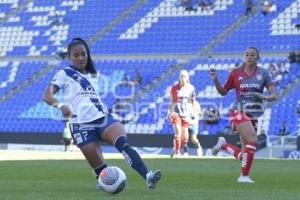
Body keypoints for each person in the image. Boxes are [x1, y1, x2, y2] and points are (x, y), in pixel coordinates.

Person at [43, 38, 161, 190]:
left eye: (83, 54)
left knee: (122, 144)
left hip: (102, 119)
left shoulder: (93, 73)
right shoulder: (64, 73)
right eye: (76, 55)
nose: (80, 58)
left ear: (88, 54)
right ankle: (103, 181)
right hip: (81, 126)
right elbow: (46, 96)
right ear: (69, 57)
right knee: (101, 173)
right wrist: (60, 105)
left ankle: (148, 176)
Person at [209, 47, 276, 183]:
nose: (249, 56)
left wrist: (265, 97)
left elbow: (273, 94)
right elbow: (223, 92)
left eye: (252, 55)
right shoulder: (236, 73)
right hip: (238, 111)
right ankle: (243, 176)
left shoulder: (263, 73)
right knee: (253, 141)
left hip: (254, 114)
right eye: (247, 54)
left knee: (245, 154)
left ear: (257, 57)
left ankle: (224, 145)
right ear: (244, 57)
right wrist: (215, 80)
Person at [168, 70, 196, 158]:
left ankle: (175, 149)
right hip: (176, 113)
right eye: (181, 76)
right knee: (178, 134)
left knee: (185, 137)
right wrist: (169, 112)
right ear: (179, 77)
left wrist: (193, 112)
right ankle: (177, 153)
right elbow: (172, 101)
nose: (183, 78)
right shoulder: (174, 88)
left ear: (187, 77)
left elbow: (193, 101)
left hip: (186, 114)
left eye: (184, 76)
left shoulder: (191, 88)